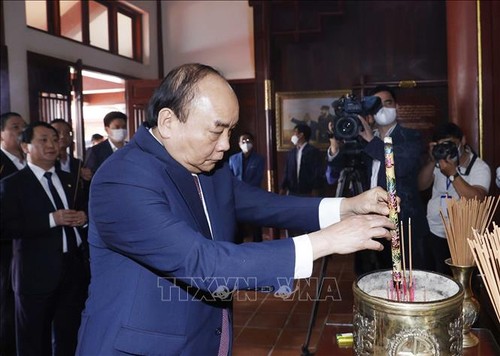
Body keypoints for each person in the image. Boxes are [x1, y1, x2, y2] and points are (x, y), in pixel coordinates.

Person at [75, 63, 395, 355]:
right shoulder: (123, 180)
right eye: (217, 130)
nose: (227, 144)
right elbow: (202, 263)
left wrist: (347, 207)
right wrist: (327, 241)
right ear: (168, 122)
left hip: (204, 338)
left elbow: (265, 204)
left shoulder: (205, 166)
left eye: (230, 131)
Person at [0, 121, 90, 356]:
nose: (51, 145)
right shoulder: (12, 185)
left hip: (72, 269)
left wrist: (84, 218)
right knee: (33, 340)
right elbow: (6, 227)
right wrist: (51, 219)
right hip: (35, 273)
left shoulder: (71, 179)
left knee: (69, 335)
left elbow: (84, 211)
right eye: (43, 140)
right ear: (26, 146)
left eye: (54, 139)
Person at [326, 85, 429, 276]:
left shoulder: (410, 137)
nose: (382, 108)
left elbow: (403, 165)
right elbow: (333, 175)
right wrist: (334, 142)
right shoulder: (362, 140)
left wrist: (370, 141)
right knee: (371, 278)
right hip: (368, 221)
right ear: (370, 112)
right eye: (377, 104)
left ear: (396, 106)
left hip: (402, 224)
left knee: (406, 279)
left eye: (387, 103)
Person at [418, 122, 491, 275]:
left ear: (463, 141)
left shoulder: (479, 167)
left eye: (450, 144)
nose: (446, 149)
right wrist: (432, 160)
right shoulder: (439, 163)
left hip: (462, 236)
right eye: (440, 145)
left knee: (458, 281)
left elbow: (478, 200)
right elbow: (421, 185)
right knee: (437, 278)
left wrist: (452, 174)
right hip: (435, 231)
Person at [0, 112, 26, 356]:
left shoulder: (29, 160)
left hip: (30, 247)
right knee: (6, 306)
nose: (20, 131)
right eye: (14, 127)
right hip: (6, 248)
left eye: (23, 127)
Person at [229, 132, 265, 242]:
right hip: (237, 197)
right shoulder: (233, 159)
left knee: (255, 225)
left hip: (253, 195)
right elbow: (231, 177)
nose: (246, 143)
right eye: (243, 141)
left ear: (253, 142)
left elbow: (258, 178)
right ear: (239, 144)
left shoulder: (259, 159)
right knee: (238, 225)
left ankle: (259, 246)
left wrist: (247, 191)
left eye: (248, 141)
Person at [51, 119, 92, 204]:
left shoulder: (78, 164)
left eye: (67, 133)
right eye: (58, 132)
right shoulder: (47, 163)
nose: (62, 136)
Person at [280, 124, 323, 197]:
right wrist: (282, 187)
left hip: (307, 192)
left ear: (301, 135)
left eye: (295, 133)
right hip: (292, 192)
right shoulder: (291, 152)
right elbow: (286, 172)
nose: (293, 135)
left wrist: (315, 188)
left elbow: (317, 172)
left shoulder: (313, 152)